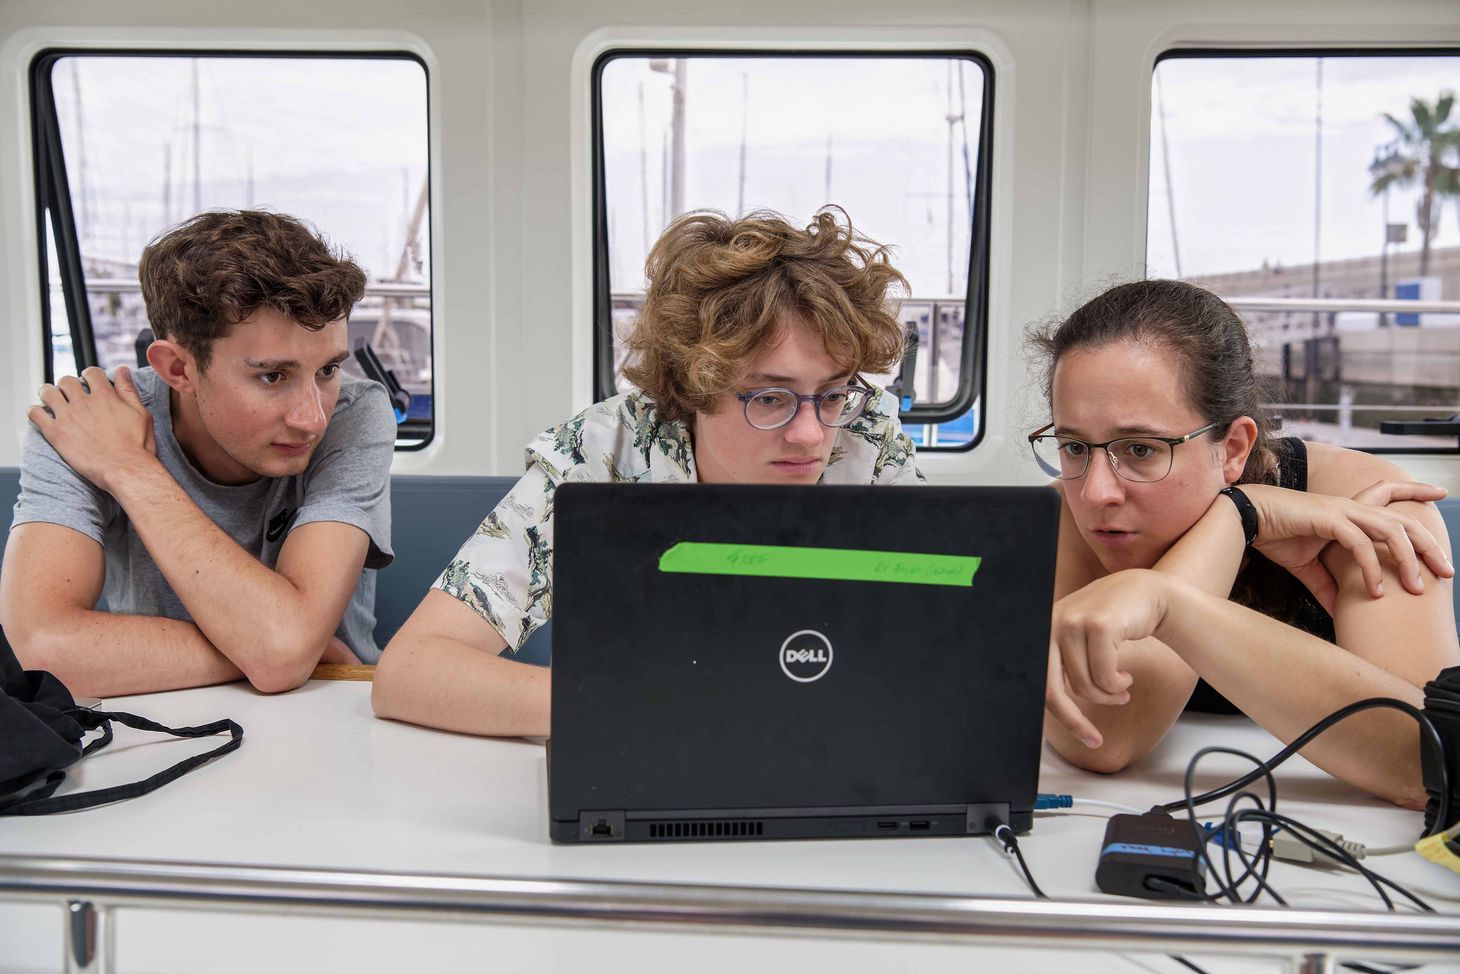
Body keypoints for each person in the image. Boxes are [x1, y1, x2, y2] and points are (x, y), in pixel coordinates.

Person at [372, 208, 922, 738]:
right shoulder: (602, 454)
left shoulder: (866, 436)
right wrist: (660, 706)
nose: (810, 434)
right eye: (771, 397)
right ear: (692, 386)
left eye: (829, 394)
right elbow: (413, 671)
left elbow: (954, 633)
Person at [1030, 279, 1460, 809]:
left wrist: (1184, 579)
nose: (1096, 492)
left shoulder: (1367, 511)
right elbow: (1102, 736)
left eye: (1140, 448)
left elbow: (1430, 761)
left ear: (1233, 449)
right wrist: (1237, 519)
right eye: (1074, 446)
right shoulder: (1067, 513)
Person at [0, 210, 396, 697]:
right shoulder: (85, 423)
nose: (312, 417)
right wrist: (278, 649)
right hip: (160, 713)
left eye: (329, 370)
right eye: (273, 376)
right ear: (177, 369)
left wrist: (131, 471)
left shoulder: (356, 415)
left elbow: (283, 651)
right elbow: (36, 649)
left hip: (329, 704)